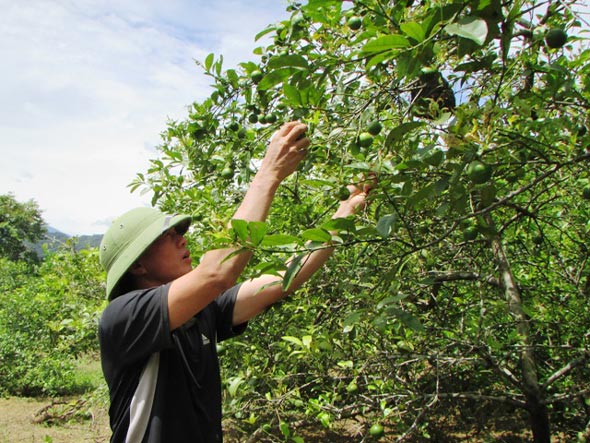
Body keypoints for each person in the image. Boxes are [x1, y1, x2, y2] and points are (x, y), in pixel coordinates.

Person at [98, 121, 370, 443]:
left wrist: (344, 213)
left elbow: (282, 280)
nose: (182, 240)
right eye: (167, 236)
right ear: (139, 265)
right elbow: (216, 274)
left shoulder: (201, 312)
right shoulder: (124, 317)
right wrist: (269, 173)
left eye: (179, 232)